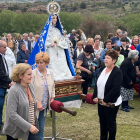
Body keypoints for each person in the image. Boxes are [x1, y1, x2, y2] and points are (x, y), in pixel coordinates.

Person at [3, 63, 39, 140]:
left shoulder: (31, 86)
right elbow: (12, 114)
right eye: (29, 74)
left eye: (31, 74)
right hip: (14, 129)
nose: (31, 76)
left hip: (31, 126)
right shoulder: (14, 90)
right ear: (20, 76)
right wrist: (28, 126)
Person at [93, 49, 123, 140]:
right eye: (105, 57)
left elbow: (115, 89)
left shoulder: (117, 72)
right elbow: (97, 84)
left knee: (110, 123)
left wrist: (106, 100)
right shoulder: (102, 69)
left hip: (111, 102)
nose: (105, 60)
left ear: (114, 60)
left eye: (108, 58)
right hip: (101, 102)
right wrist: (95, 96)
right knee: (102, 122)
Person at [32, 52, 55, 140]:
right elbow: (29, 90)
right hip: (33, 106)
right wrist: (37, 102)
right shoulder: (33, 73)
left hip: (45, 105)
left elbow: (53, 86)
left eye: (41, 62)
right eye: (37, 62)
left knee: (41, 128)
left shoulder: (51, 72)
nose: (39, 64)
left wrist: (52, 98)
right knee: (33, 128)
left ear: (46, 63)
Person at [45, 14, 74, 81]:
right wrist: (50, 44)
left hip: (59, 50)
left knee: (62, 64)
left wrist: (59, 43)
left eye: (56, 18)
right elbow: (44, 43)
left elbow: (63, 41)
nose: (55, 19)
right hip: (51, 51)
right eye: (53, 18)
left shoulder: (58, 30)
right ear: (50, 19)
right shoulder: (47, 32)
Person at [0, 40, 14, 135]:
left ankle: (0, 122)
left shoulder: (2, 57)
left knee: (1, 106)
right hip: (0, 85)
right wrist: (9, 81)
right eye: (4, 47)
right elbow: (1, 73)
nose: (6, 49)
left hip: (3, 85)